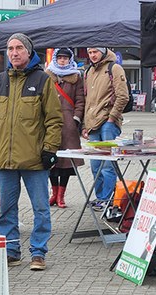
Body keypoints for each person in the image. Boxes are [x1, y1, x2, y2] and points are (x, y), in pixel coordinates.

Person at [0, 33, 62, 271]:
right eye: (10, 48)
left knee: (40, 208)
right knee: (6, 208)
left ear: (29, 52)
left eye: (18, 48)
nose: (14, 53)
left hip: (35, 159)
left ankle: (38, 252)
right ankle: (10, 250)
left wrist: (50, 149)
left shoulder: (43, 80)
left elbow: (54, 120)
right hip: (5, 159)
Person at [81, 46, 129, 212]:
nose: (92, 55)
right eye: (90, 52)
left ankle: (108, 199)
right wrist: (84, 125)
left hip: (108, 123)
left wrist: (111, 118)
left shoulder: (114, 68)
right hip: (93, 125)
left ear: (103, 51)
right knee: (95, 165)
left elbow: (123, 96)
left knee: (108, 166)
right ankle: (101, 197)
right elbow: (86, 100)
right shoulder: (88, 71)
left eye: (95, 51)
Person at [44, 47, 85, 209]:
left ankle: (61, 196)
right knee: (50, 160)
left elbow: (80, 100)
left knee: (66, 164)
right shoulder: (47, 76)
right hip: (50, 123)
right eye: (60, 58)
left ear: (70, 59)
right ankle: (53, 194)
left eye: (65, 58)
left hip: (68, 125)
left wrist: (76, 119)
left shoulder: (76, 77)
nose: (62, 60)